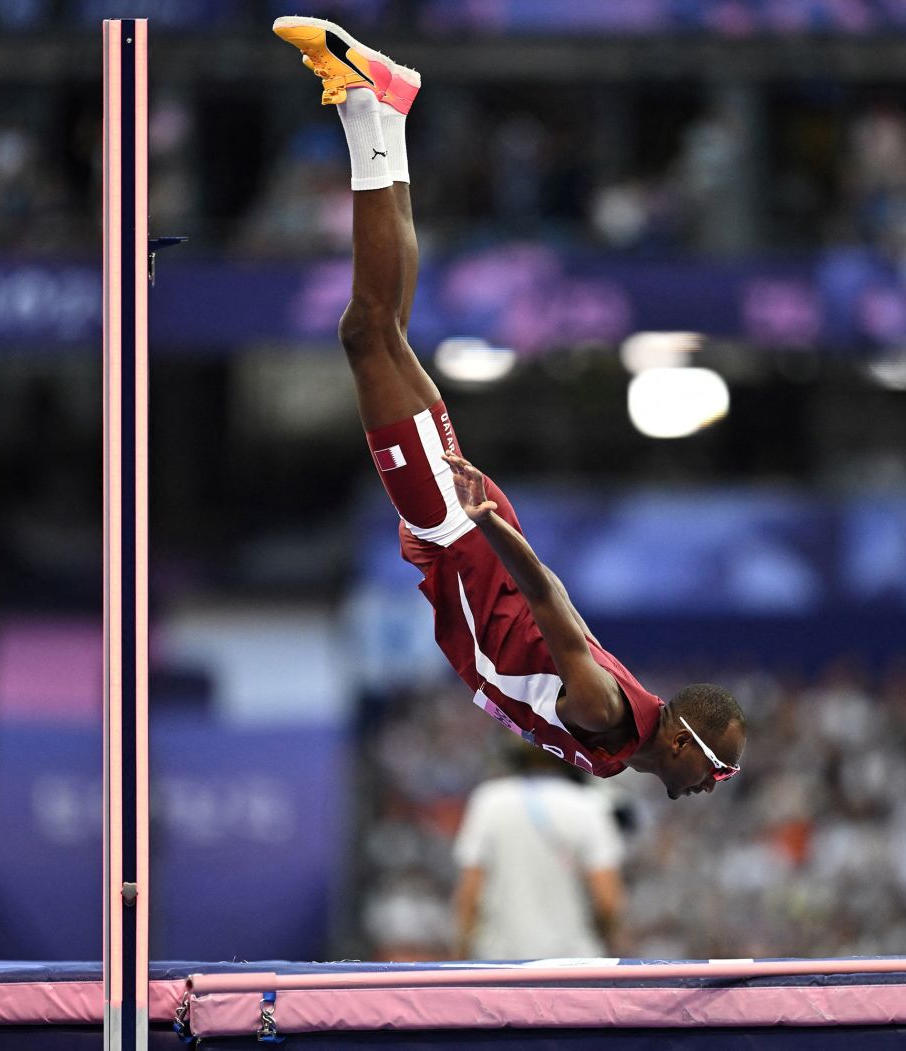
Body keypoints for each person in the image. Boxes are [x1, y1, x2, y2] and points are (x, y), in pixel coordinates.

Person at [272, 16, 747, 799]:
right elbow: (551, 605)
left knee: (385, 335)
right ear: (684, 743)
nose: (715, 782)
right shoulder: (605, 714)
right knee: (366, 333)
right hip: (464, 534)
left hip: (466, 545)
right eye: (718, 766)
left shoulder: (620, 741)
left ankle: (384, 109)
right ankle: (365, 111)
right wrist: (488, 525)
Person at [452, 746, 625, 960]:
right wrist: (610, 943)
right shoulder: (588, 806)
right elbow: (607, 902)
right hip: (573, 964)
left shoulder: (489, 801)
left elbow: (469, 893)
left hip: (501, 964)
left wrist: (461, 953)